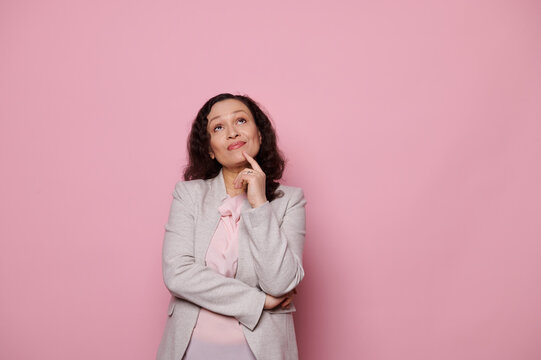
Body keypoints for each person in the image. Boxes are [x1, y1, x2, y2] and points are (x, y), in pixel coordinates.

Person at [156, 93, 307, 360]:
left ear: (259, 135)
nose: (232, 132)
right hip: (193, 348)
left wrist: (259, 204)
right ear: (210, 149)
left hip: (262, 350)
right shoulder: (188, 195)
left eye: (240, 120)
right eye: (218, 127)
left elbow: (281, 283)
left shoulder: (290, 201)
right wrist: (259, 301)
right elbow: (177, 274)